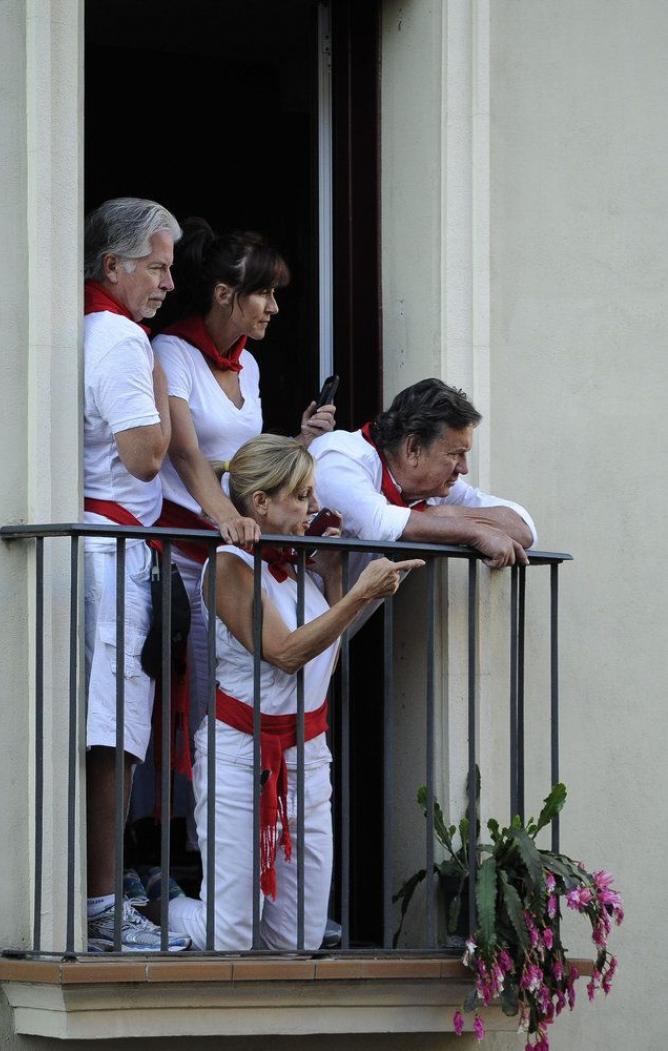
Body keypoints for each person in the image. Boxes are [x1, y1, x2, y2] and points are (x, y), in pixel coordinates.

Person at [166, 435, 424, 949]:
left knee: (298, 938)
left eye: (312, 494)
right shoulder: (230, 566)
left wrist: (332, 576)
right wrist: (358, 594)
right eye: (301, 495)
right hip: (241, 756)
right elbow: (285, 652)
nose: (314, 507)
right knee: (230, 935)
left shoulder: (304, 570)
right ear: (260, 502)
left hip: (308, 757)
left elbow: (324, 656)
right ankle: (159, 906)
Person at [151, 219, 336, 730]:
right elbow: (187, 455)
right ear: (224, 294)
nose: (274, 307)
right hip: (185, 548)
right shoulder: (171, 352)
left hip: (233, 547)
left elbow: (245, 461)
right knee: (175, 691)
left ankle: (218, 807)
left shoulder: (248, 365)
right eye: (264, 294)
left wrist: (298, 444)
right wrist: (230, 521)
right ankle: (165, 811)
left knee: (225, 687)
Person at [83, 196, 192, 951]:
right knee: (116, 732)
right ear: (112, 265)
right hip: (115, 553)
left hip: (106, 548)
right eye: (156, 267)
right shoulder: (123, 341)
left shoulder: (90, 328)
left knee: (112, 725)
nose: (166, 283)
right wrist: (158, 385)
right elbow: (144, 457)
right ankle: (101, 906)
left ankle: (103, 893)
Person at [310, 378, 536, 568]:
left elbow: (523, 528)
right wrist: (473, 531)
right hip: (290, 618)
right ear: (413, 448)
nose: (463, 468)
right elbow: (377, 524)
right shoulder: (339, 453)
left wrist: (446, 515)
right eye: (455, 454)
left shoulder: (436, 488)